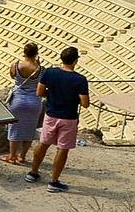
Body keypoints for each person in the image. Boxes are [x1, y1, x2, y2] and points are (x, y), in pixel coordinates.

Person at [30, 46, 90, 192]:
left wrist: (51, 96)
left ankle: (33, 173)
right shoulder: (80, 80)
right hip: (68, 118)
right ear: (76, 61)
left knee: (43, 143)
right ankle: (54, 181)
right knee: (62, 149)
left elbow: (39, 92)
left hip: (51, 115)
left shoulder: (49, 72)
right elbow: (85, 103)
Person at [3, 43, 44, 165]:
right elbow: (42, 83)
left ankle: (12, 156)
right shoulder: (41, 69)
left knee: (14, 128)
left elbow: (12, 76)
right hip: (34, 102)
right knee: (30, 130)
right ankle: (22, 156)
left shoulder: (16, 65)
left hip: (18, 100)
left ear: (24, 53)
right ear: (36, 53)